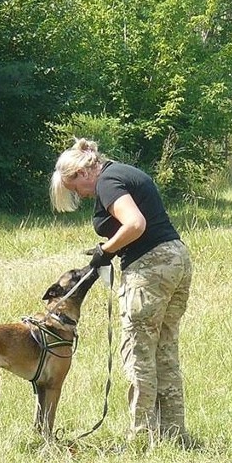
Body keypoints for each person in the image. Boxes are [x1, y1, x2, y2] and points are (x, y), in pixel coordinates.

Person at [50, 138, 194, 446]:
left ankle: (141, 438)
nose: (80, 194)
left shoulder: (107, 182)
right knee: (164, 351)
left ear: (82, 172)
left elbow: (135, 223)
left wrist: (106, 250)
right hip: (176, 258)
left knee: (140, 354)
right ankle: (173, 435)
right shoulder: (123, 172)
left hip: (151, 268)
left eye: (75, 189)